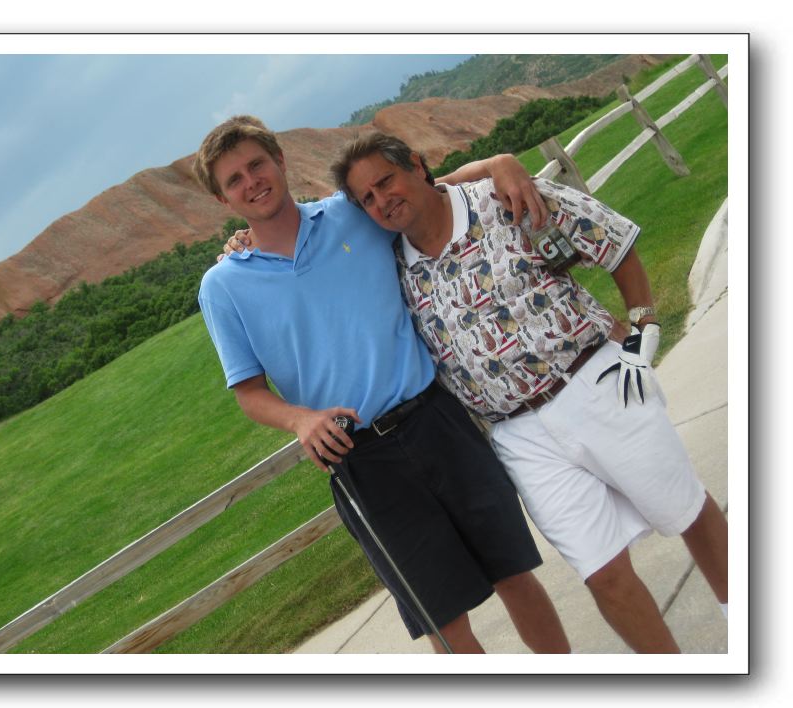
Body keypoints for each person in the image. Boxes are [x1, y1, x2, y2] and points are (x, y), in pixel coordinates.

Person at [330, 131, 729, 653]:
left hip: (593, 382)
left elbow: (608, 239)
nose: (382, 200)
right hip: (518, 436)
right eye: (367, 198)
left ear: (417, 165)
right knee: (602, 573)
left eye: (386, 181)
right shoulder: (392, 265)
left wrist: (643, 323)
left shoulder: (502, 198)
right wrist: (243, 240)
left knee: (685, 510)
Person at [195, 115, 570, 654]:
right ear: (222, 199)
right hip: (362, 463)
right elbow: (248, 391)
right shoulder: (223, 286)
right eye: (234, 180)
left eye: (257, 164)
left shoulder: (350, 213)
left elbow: (427, 192)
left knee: (514, 574)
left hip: (436, 419)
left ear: (280, 160)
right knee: (446, 622)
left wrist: (499, 163)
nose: (251, 181)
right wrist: (300, 420)